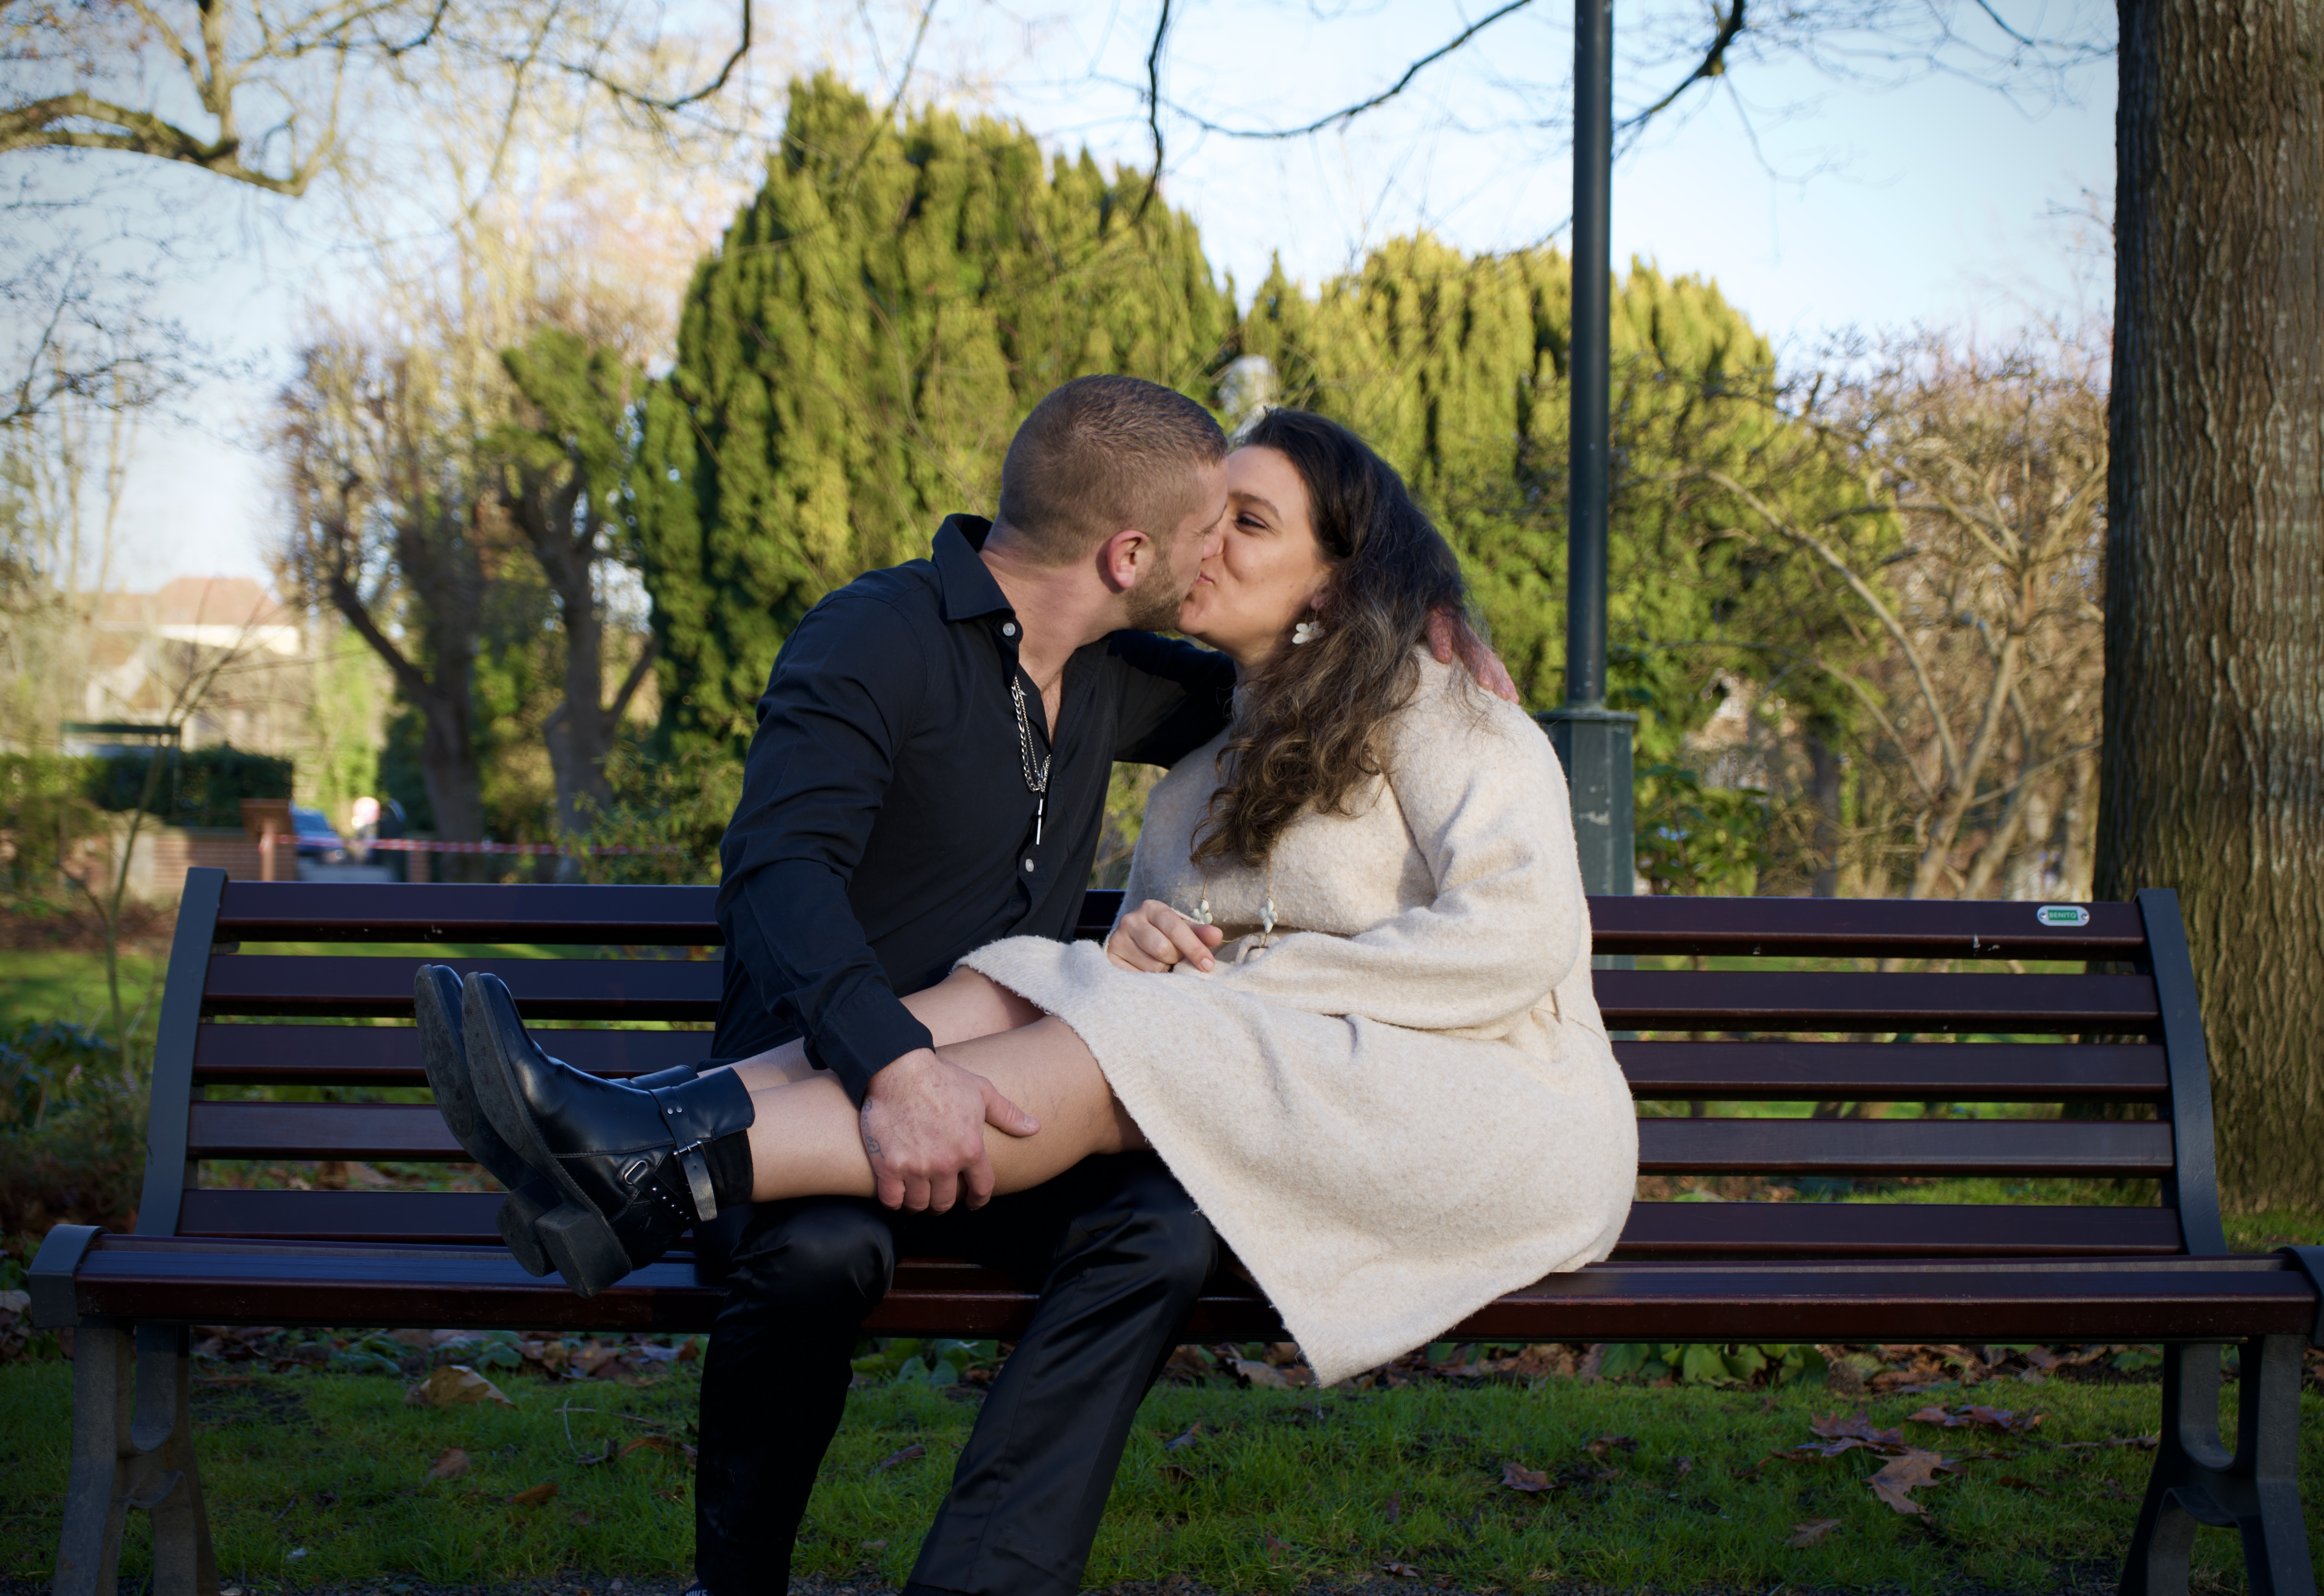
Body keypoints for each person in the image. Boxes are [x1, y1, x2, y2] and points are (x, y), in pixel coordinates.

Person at [417, 377, 1517, 1596]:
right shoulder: (870, 637)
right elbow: (779, 875)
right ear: (1128, 552)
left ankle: (983, 1577)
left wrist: (1415, 620)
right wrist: (891, 1066)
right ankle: (735, 1584)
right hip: (812, 1099)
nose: (1217, 554)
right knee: (819, 1254)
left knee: (1158, 1230)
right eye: (1210, 529)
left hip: (1008, 1107)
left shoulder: (1109, 674)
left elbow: (1279, 677)